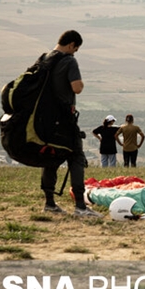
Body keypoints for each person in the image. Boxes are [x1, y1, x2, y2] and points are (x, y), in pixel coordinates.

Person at [40, 30, 102, 219]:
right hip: (64, 119)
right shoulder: (69, 60)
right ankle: (80, 207)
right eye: (76, 49)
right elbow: (77, 87)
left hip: (45, 120)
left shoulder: (44, 58)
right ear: (71, 45)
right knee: (76, 157)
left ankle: (50, 202)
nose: (75, 52)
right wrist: (80, 84)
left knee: (50, 158)